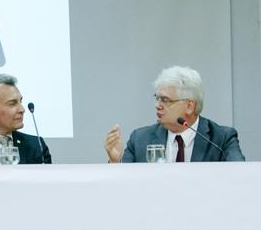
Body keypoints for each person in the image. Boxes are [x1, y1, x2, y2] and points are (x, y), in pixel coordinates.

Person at [104, 66, 244, 163]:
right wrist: (116, 162)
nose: (157, 105)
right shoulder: (140, 139)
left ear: (189, 106)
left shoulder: (221, 139)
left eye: (165, 100)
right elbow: (125, 184)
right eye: (157, 98)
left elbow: (239, 176)